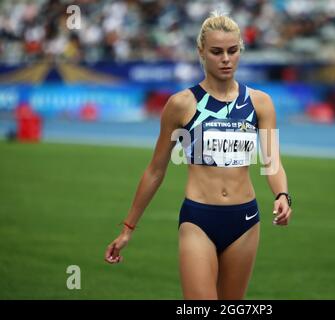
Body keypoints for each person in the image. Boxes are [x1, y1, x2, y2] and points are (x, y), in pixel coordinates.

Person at [104, 11, 293, 300]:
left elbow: (272, 162)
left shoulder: (260, 103)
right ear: (201, 52)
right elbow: (156, 170)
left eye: (232, 51)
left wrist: (282, 195)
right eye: (217, 52)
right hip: (198, 219)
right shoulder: (181, 104)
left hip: (245, 219)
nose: (226, 59)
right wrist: (128, 228)